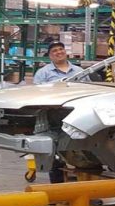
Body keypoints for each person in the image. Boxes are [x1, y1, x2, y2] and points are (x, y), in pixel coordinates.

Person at [33, 42, 85, 183]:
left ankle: (83, 186)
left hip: (76, 114)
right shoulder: (43, 73)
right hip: (53, 116)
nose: (59, 52)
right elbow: (36, 93)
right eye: (54, 51)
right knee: (55, 151)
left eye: (61, 49)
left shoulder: (79, 71)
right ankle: (57, 186)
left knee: (80, 148)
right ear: (50, 56)